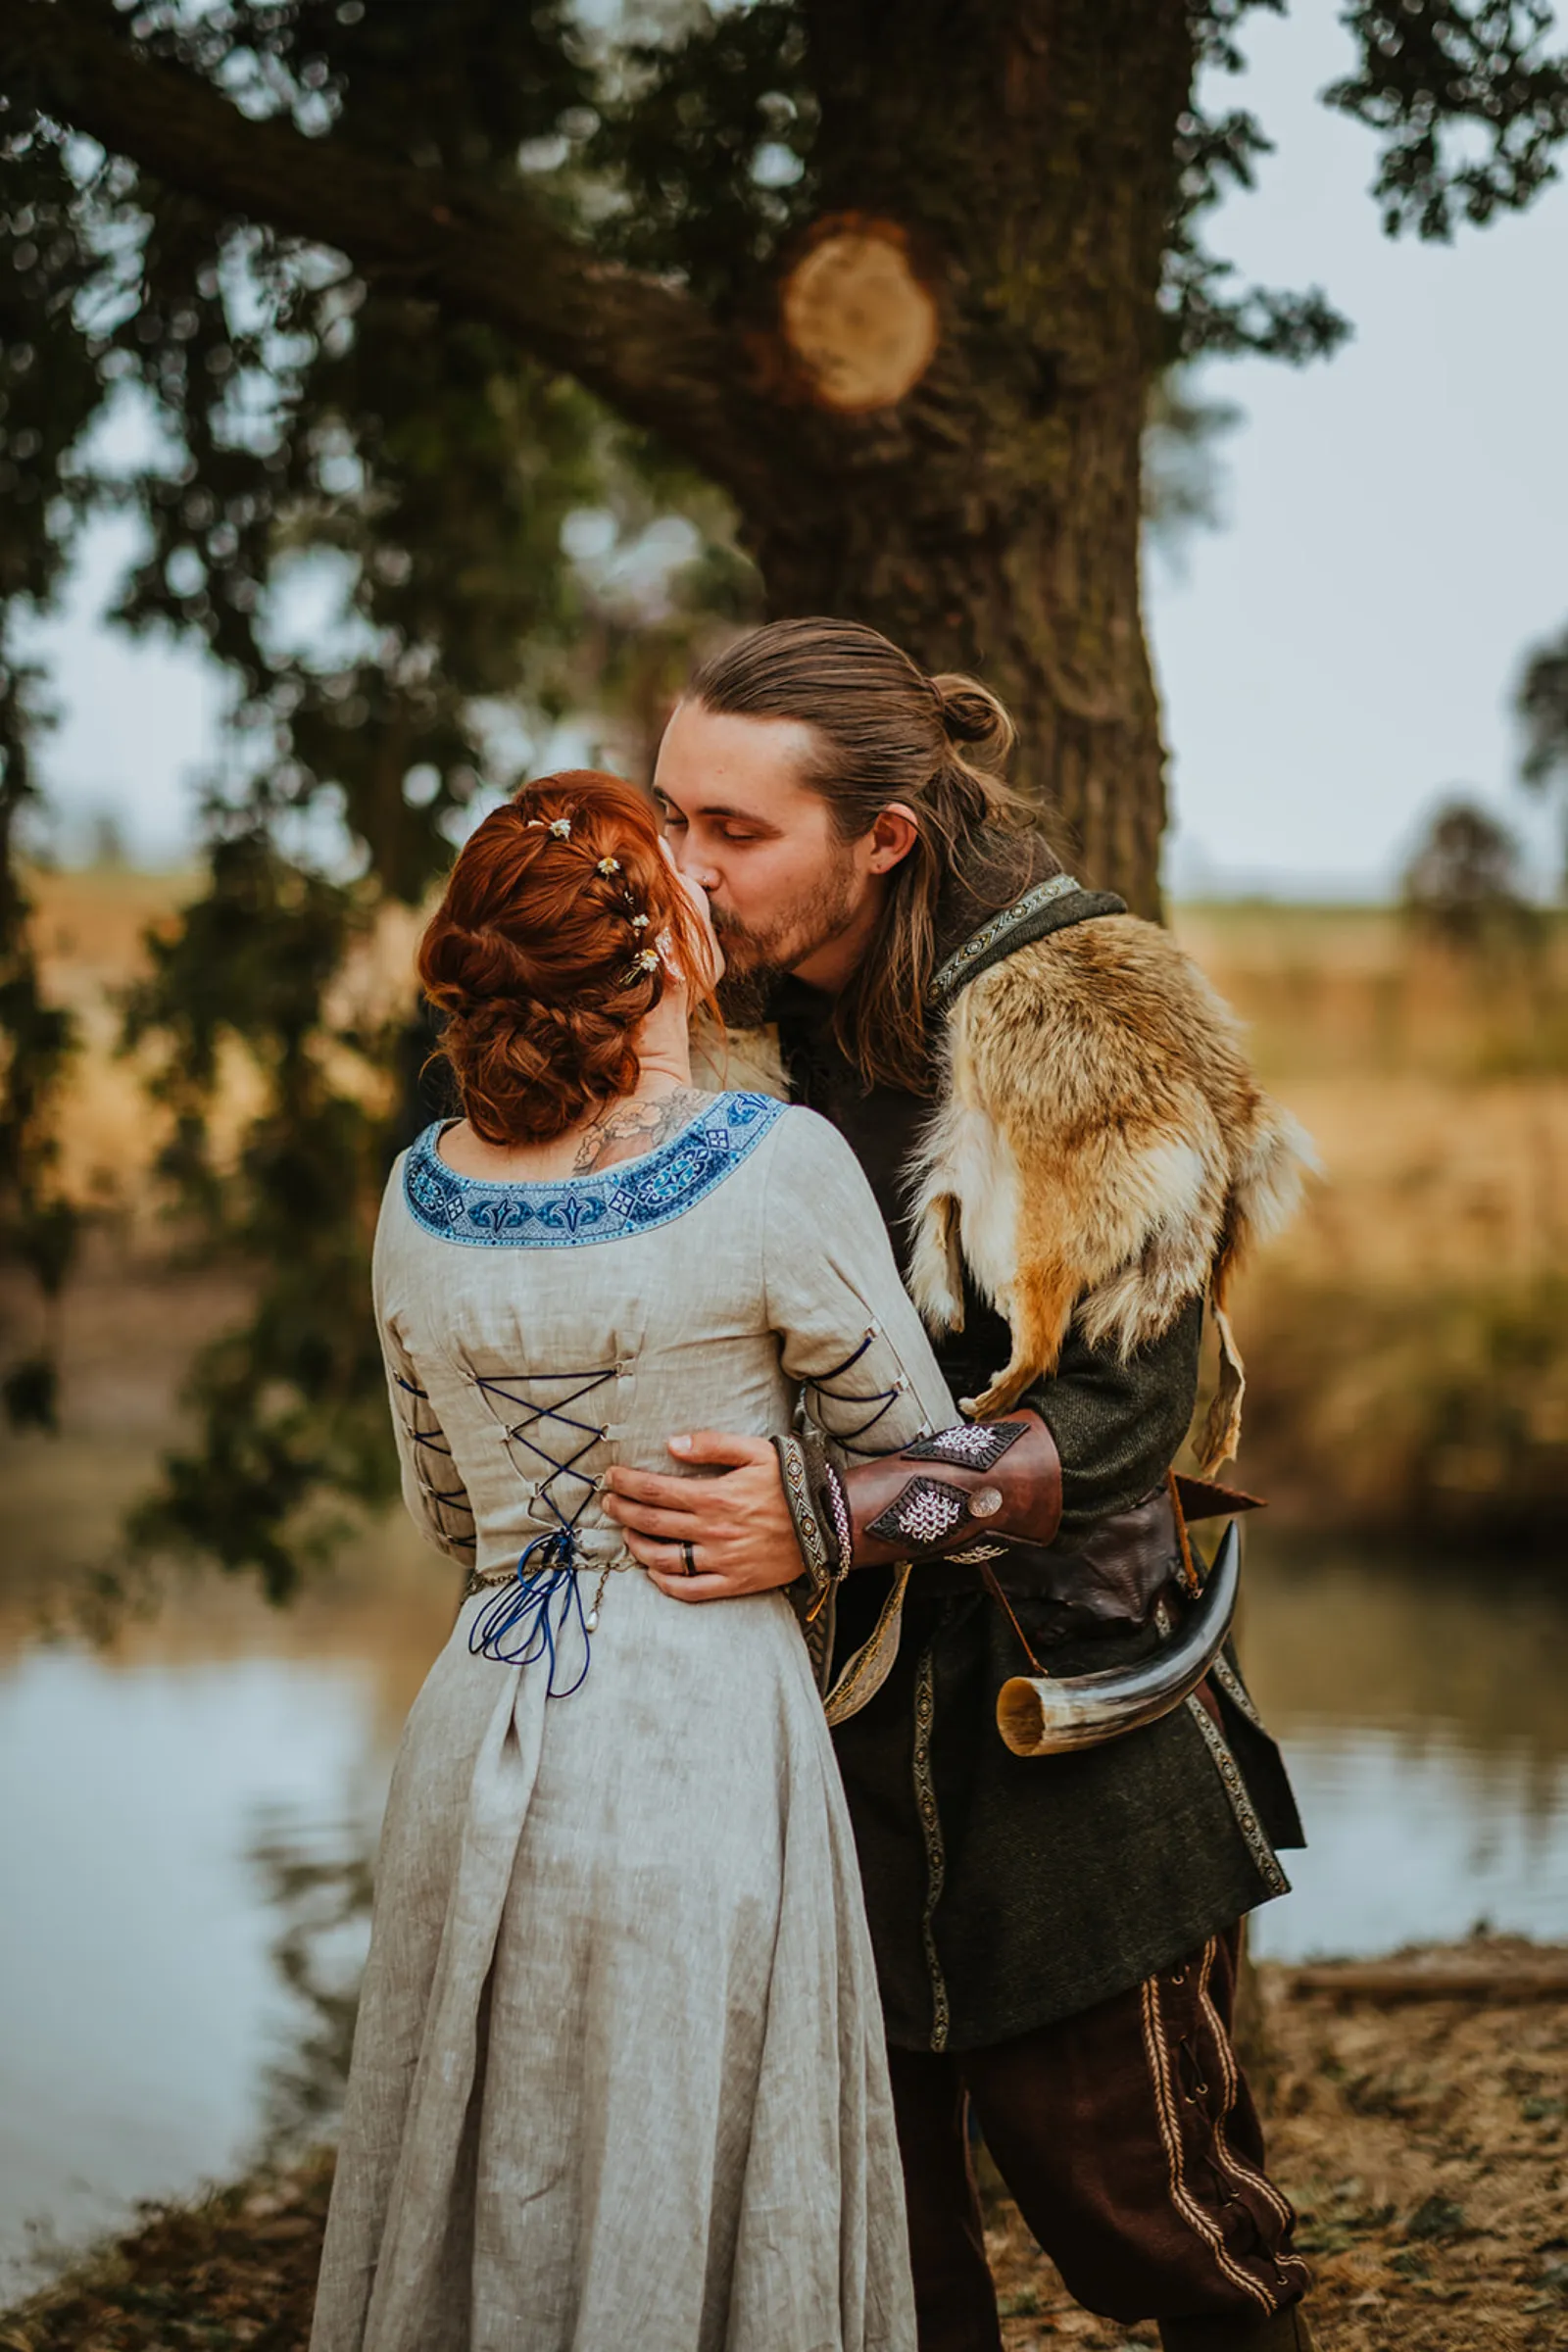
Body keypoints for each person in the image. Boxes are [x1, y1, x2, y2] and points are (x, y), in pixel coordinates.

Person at [604, 621, 1323, 2352]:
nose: (682, 872)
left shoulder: (1091, 1021)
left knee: (1152, 2226)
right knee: (875, 2251)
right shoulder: (725, 1032)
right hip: (799, 1736)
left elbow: (1119, 1421)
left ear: (885, 839)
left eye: (733, 831)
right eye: (668, 816)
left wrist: (834, 1513)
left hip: (1060, 1723)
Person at [309, 769, 958, 2352]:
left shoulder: (417, 1195)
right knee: (690, 2140)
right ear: (665, 950)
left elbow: (455, 1525)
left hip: (483, 1721)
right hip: (698, 1715)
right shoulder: (776, 1163)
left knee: (493, 2143)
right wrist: (806, 1510)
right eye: (679, 867)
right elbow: (931, 1469)